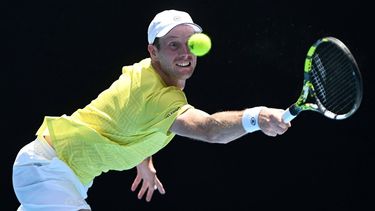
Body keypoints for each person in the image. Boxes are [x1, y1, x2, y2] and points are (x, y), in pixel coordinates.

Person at [12, 9, 291, 210]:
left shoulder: (145, 74)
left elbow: (131, 120)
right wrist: (258, 116)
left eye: (191, 45)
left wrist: (143, 160)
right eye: (173, 45)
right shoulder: (157, 96)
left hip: (54, 172)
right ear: (153, 51)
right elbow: (208, 130)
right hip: (48, 173)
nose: (185, 53)